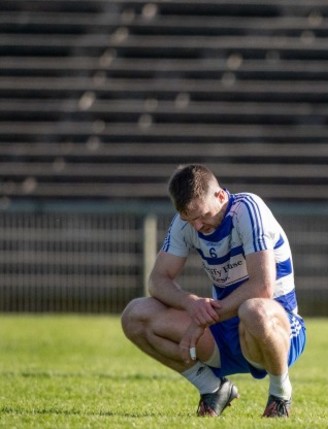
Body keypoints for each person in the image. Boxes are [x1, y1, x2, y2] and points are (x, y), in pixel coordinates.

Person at [121, 164, 306, 417]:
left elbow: (262, 287)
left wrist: (203, 320)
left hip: (275, 329)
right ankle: (213, 389)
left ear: (220, 196)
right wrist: (191, 303)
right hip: (224, 332)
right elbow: (157, 281)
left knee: (254, 310)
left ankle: (280, 395)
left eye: (202, 216)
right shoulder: (186, 222)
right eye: (189, 219)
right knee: (135, 315)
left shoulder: (248, 209)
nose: (197, 226)